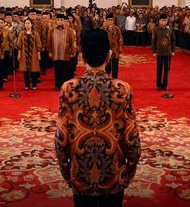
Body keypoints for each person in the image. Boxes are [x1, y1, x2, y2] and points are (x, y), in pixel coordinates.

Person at [54, 29, 141, 207]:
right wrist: (128, 171)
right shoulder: (122, 89)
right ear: (109, 56)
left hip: (81, 173)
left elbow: (61, 139)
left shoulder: (69, 88)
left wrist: (67, 171)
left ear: (82, 57)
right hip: (113, 173)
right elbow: (132, 139)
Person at [48, 14, 76, 90]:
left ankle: (64, 86)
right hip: (56, 54)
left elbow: (72, 43)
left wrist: (72, 52)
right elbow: (49, 42)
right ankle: (57, 85)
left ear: (64, 21)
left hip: (65, 54)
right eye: (58, 20)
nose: (59, 21)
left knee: (65, 71)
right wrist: (50, 52)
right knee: (57, 70)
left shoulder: (69, 30)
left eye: (61, 20)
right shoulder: (51, 30)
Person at [152, 14, 175, 90]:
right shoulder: (156, 29)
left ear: (167, 21)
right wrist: (154, 51)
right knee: (159, 68)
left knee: (167, 68)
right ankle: (158, 85)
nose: (164, 22)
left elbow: (173, 39)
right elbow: (153, 40)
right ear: (159, 21)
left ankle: (165, 84)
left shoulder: (170, 28)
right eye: (162, 20)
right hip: (159, 51)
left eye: (165, 20)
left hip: (168, 52)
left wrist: (173, 50)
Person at [17, 18, 42, 90]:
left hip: (33, 54)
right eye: (26, 23)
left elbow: (38, 44)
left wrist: (39, 54)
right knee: (25, 71)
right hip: (24, 54)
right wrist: (19, 54)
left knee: (33, 70)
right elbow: (19, 45)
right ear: (24, 25)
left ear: (31, 24)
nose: (27, 24)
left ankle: (34, 85)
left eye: (28, 23)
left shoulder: (35, 33)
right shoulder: (22, 33)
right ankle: (27, 85)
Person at [101, 13, 123, 79]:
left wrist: (120, 48)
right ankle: (107, 79)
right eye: (108, 20)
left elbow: (120, 39)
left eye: (111, 20)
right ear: (106, 20)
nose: (110, 21)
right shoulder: (103, 29)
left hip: (115, 50)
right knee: (107, 66)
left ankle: (115, 79)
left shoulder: (117, 29)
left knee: (115, 66)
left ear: (113, 21)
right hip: (106, 50)